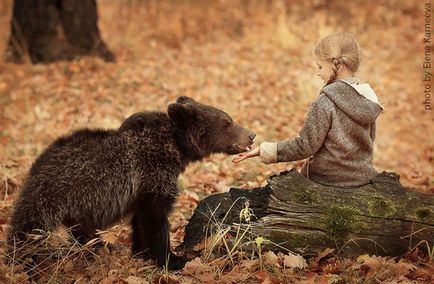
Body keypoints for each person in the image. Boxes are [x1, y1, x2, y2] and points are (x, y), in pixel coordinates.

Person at [233, 32, 384, 187]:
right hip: (362, 179)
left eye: (320, 67)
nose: (318, 73)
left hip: (325, 179)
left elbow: (305, 146)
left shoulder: (325, 102)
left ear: (335, 64)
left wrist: (264, 150)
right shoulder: (368, 99)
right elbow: (368, 145)